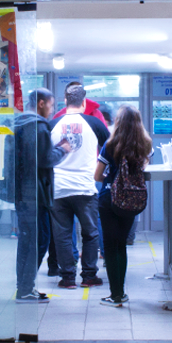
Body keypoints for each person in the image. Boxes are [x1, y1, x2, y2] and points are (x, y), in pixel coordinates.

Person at [49, 84, 110, 289]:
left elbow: (46, 155)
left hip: (59, 189)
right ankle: (89, 276)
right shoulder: (94, 123)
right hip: (85, 188)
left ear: (65, 101)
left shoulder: (53, 124)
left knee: (63, 235)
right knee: (90, 234)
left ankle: (67, 278)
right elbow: (111, 148)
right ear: (84, 103)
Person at [13, 88, 70, 303]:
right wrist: (63, 149)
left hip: (22, 192)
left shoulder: (20, 124)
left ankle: (24, 286)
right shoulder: (38, 126)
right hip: (36, 194)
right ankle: (26, 288)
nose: (52, 110)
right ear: (41, 103)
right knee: (39, 241)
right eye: (51, 105)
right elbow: (45, 160)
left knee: (27, 241)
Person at [94, 105, 153, 307]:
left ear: (118, 122)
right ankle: (121, 293)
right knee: (121, 245)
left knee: (111, 248)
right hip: (131, 200)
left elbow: (97, 175)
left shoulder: (110, 144)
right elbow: (144, 168)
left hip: (109, 199)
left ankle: (116, 294)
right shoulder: (145, 144)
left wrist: (110, 178)